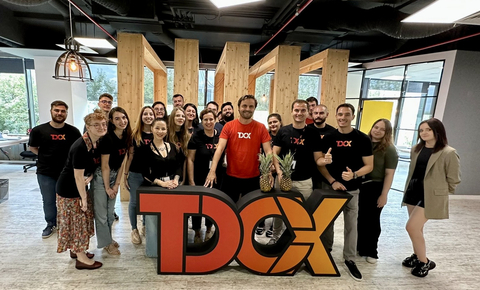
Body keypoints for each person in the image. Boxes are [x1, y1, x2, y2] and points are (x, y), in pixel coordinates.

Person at [319, 103, 373, 281]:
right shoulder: (327, 137)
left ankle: (350, 259)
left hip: (352, 190)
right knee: (327, 223)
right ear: (335, 116)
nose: (343, 117)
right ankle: (326, 252)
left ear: (352, 116)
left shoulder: (363, 139)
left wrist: (355, 174)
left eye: (346, 114)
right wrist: (332, 180)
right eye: (340, 114)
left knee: (351, 225)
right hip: (330, 188)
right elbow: (320, 165)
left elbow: (369, 166)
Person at [402, 118, 460, 277]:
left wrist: (440, 193)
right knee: (417, 228)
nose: (424, 133)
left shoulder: (448, 152)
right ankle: (416, 255)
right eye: (421, 130)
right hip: (414, 191)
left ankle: (424, 261)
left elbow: (454, 179)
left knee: (411, 227)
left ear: (437, 131)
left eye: (428, 129)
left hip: (431, 196)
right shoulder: (416, 149)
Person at [269, 100, 331, 245]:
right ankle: (275, 237)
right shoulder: (283, 131)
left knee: (303, 213)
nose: (299, 113)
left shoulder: (313, 133)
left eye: (303, 110)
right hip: (283, 179)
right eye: (297, 110)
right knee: (279, 212)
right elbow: (274, 154)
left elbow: (318, 159)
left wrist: (325, 160)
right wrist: (278, 172)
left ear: (307, 113)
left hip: (304, 181)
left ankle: (296, 241)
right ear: (292, 112)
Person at [56, 110, 107, 270]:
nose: (101, 127)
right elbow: (77, 176)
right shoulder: (80, 146)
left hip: (78, 186)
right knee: (77, 222)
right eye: (96, 125)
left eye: (104, 124)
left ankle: (76, 249)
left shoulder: (94, 142)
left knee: (79, 221)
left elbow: (88, 168)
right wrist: (83, 199)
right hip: (70, 190)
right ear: (88, 127)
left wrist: (90, 176)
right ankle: (82, 258)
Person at [28, 100, 81, 238]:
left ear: (66, 113)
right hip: (46, 172)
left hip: (66, 173)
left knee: (68, 199)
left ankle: (67, 224)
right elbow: (33, 147)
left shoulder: (73, 131)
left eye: (63, 111)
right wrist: (45, 156)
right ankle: (51, 224)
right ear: (51, 111)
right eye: (56, 110)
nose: (59, 113)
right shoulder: (39, 130)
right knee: (49, 200)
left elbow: (78, 149)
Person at [205, 95, 272, 203]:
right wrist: (212, 171)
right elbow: (220, 148)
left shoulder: (261, 127)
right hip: (231, 178)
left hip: (253, 178)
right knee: (228, 212)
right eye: (244, 106)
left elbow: (268, 151)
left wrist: (267, 170)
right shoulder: (229, 126)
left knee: (253, 214)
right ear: (239, 107)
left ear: (254, 108)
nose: (247, 109)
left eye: (251, 106)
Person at [357, 119, 398, 264]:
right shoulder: (363, 142)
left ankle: (372, 251)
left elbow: (389, 174)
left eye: (382, 129)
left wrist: (384, 194)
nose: (377, 131)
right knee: (360, 218)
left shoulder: (389, 150)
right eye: (376, 127)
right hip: (360, 185)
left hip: (375, 187)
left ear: (387, 133)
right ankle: (360, 247)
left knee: (372, 221)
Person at [142, 118, 183, 257]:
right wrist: (162, 183)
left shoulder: (172, 146)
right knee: (153, 221)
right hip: (154, 187)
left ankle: (171, 248)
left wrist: (176, 180)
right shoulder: (145, 149)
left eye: (163, 129)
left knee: (172, 219)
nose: (160, 131)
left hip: (173, 186)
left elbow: (179, 165)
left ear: (167, 131)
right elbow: (145, 173)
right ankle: (154, 252)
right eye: (157, 128)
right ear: (152, 129)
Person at [93, 107, 132, 255]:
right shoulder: (108, 138)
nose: (122, 121)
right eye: (117, 118)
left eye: (124, 117)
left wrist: (117, 184)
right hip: (101, 177)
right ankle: (105, 243)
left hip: (114, 176)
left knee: (110, 213)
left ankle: (108, 239)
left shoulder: (125, 137)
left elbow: (122, 162)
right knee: (102, 214)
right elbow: (104, 166)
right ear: (111, 121)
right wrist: (107, 187)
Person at [187, 109, 224, 243]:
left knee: (212, 204)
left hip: (216, 176)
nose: (208, 122)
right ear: (202, 122)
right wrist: (191, 181)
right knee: (197, 205)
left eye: (211, 119)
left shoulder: (221, 137)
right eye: (205, 120)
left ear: (215, 120)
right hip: (199, 175)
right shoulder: (196, 137)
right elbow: (190, 159)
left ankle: (209, 228)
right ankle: (197, 231)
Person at [124, 106, 155, 244]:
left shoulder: (158, 133)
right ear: (141, 116)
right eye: (145, 114)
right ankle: (133, 229)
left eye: (151, 114)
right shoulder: (134, 134)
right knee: (134, 202)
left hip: (152, 175)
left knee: (148, 202)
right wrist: (125, 174)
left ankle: (145, 225)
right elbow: (130, 156)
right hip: (135, 173)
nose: (148, 116)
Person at [256, 113, 282, 237]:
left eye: (275, 122)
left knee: (275, 201)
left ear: (280, 123)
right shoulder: (265, 135)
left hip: (279, 173)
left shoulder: (284, 135)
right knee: (262, 200)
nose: (273, 125)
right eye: (270, 122)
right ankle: (261, 223)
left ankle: (273, 226)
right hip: (265, 172)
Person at [308, 104, 337, 189]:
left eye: (321, 113)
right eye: (316, 113)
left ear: (327, 114)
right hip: (308, 172)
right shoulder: (306, 130)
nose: (318, 116)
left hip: (325, 173)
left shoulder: (333, 132)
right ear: (312, 115)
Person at [168, 107, 190, 184]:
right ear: (172, 118)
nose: (180, 118)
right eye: (177, 116)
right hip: (166, 176)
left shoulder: (186, 136)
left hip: (180, 176)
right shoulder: (165, 135)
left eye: (183, 116)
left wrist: (183, 179)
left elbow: (183, 160)